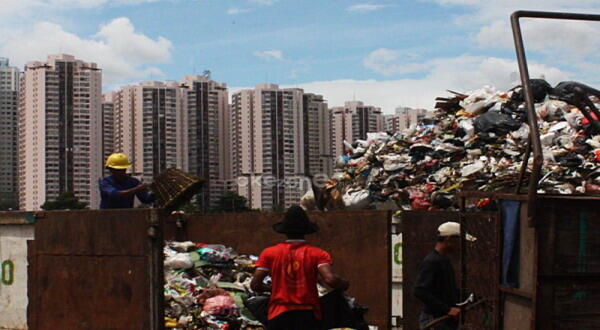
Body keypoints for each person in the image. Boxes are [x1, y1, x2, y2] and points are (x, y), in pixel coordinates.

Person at [250, 205, 349, 330]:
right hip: (309, 314)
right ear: (306, 230)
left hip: (278, 314)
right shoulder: (318, 254)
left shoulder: (269, 253)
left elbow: (255, 285)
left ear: (284, 231)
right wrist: (344, 284)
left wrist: (275, 289)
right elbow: (330, 280)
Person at [414, 221, 476, 330]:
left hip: (442, 320)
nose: (460, 246)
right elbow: (420, 291)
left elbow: (445, 289)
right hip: (434, 320)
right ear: (448, 239)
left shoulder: (443, 261)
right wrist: (447, 309)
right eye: (459, 241)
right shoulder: (432, 261)